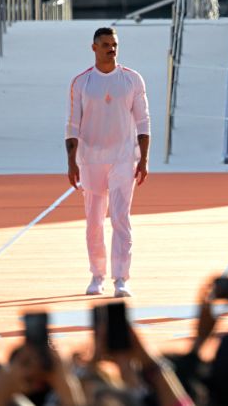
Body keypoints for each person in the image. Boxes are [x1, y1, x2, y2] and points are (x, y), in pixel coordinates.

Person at [65, 27, 150, 298]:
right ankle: (97, 275)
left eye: (114, 44)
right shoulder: (81, 83)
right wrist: (71, 162)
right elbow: (72, 125)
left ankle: (121, 278)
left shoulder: (132, 79)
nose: (111, 49)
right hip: (90, 159)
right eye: (105, 45)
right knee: (94, 220)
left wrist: (144, 158)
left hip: (124, 157)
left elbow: (143, 121)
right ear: (94, 48)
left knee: (120, 218)